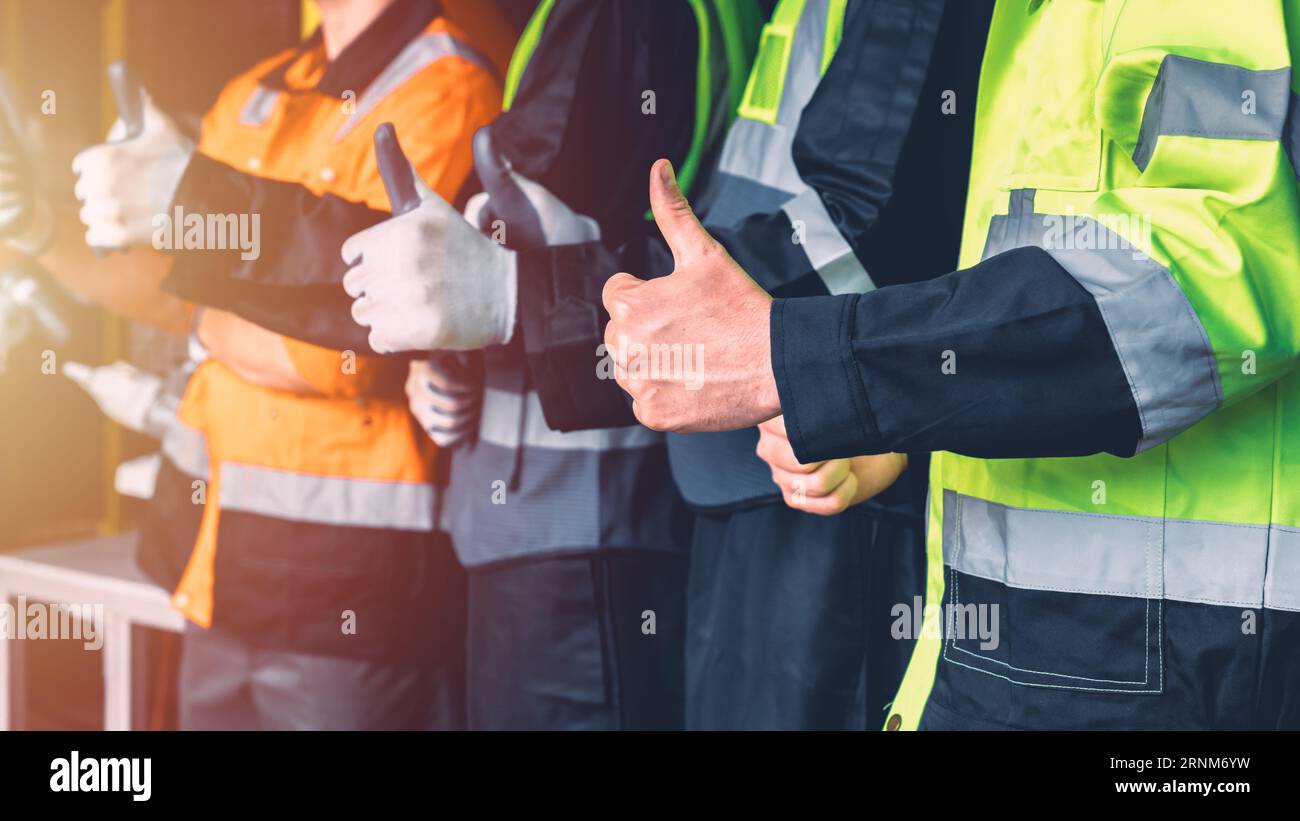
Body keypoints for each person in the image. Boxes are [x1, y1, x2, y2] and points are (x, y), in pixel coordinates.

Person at [604, 0, 1300, 730]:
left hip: (1185, 670)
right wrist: (897, 420)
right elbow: (1029, 296)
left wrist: (813, 363)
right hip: (1019, 659)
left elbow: (1205, 276)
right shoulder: (1016, 23)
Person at [350, 0, 990, 729]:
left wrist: (513, 296)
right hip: (728, 481)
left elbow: (856, 232)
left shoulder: (626, 17)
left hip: (796, 495)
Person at [65, 0, 512, 729]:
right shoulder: (252, 91)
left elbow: (355, 349)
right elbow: (173, 295)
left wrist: (210, 322)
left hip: (356, 596)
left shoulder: (448, 86)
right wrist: (49, 227)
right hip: (217, 567)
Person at [335, 0, 761, 729]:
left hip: (569, 529)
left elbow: (504, 249)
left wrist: (458, 320)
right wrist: (451, 351)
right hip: (588, 518)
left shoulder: (610, 17)